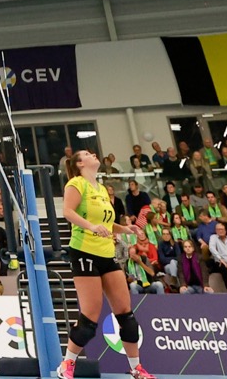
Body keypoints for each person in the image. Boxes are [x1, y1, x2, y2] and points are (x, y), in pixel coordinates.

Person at [59, 149, 153, 379]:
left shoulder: (101, 189)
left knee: (126, 315)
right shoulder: (76, 183)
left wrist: (125, 229)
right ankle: (67, 364)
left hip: (106, 254)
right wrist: (90, 227)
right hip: (83, 252)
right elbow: (67, 212)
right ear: (80, 163)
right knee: (89, 319)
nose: (93, 155)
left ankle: (136, 368)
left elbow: (106, 224)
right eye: (87, 154)